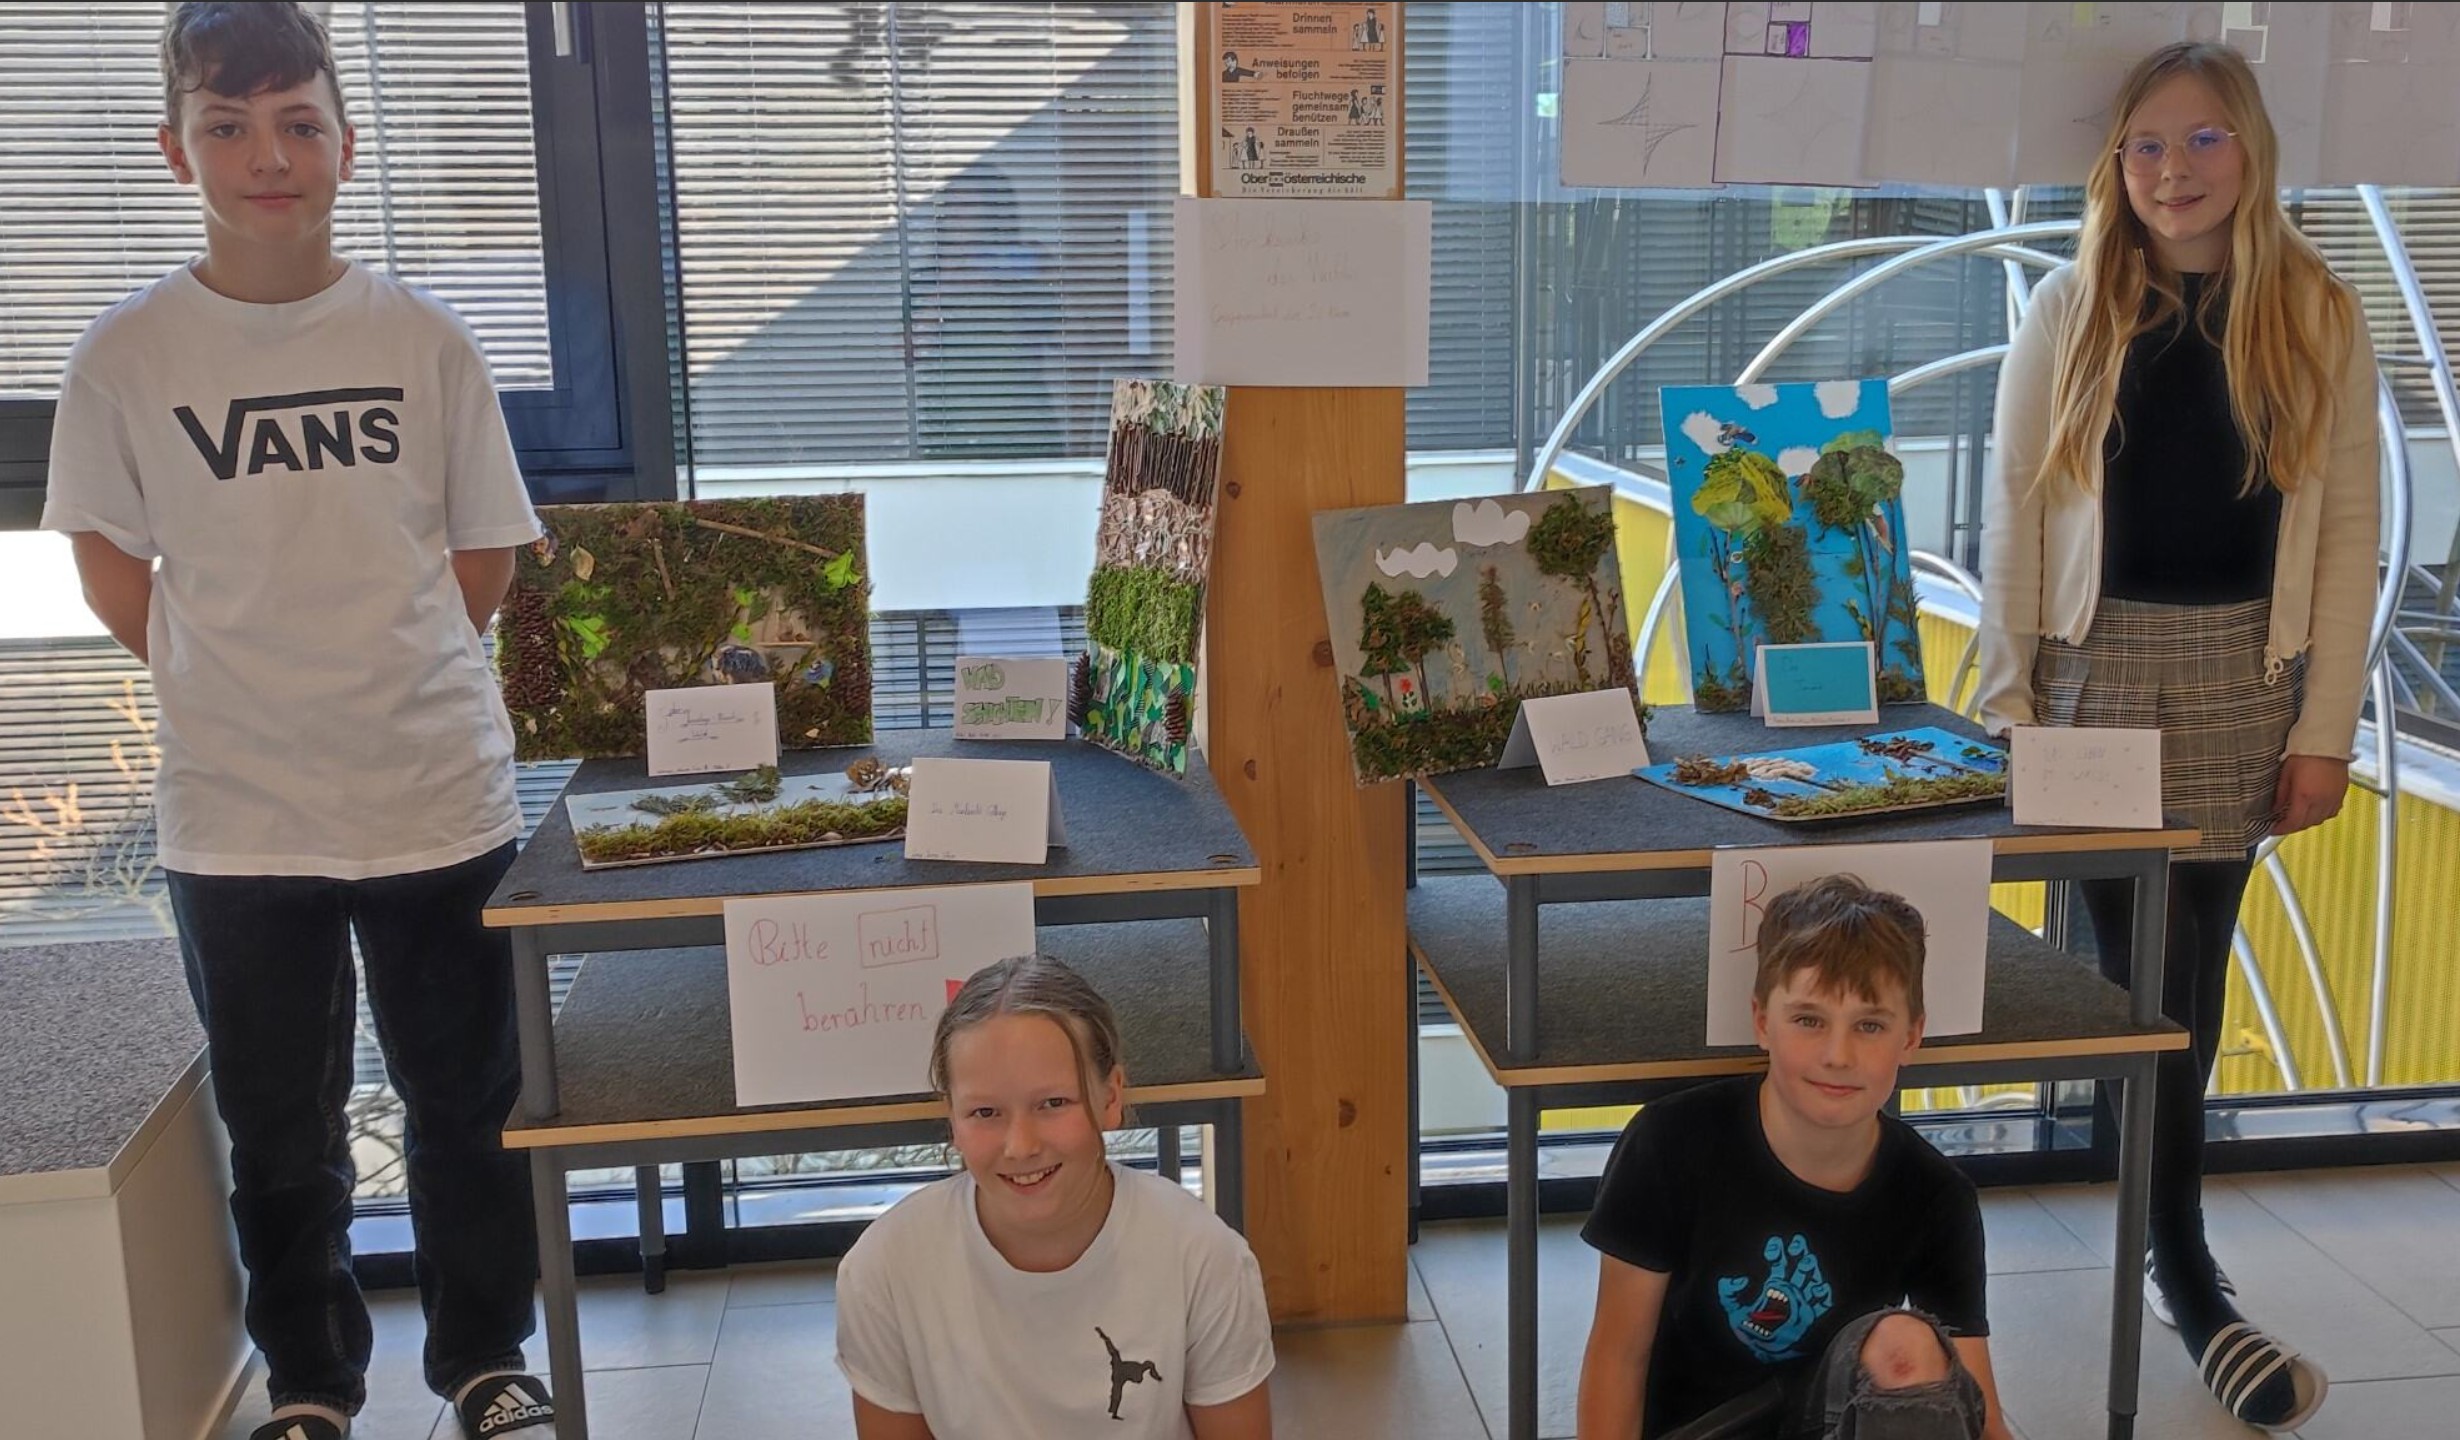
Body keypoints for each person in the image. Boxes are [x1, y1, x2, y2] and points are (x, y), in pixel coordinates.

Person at [41, 6, 553, 1438]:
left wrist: (381, 667)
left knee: (469, 1105)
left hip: (437, 794)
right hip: (237, 816)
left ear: (345, 141)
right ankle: (314, 1384)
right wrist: (240, 682)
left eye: (298, 124)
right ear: (176, 149)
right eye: (228, 125)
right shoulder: (127, 355)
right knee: (279, 1132)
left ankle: (485, 1362)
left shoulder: (423, 339)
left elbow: (485, 556)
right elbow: (108, 564)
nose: (267, 157)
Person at [1977, 40, 2377, 1432]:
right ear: (2116, 165)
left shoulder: (2318, 310)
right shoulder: (2072, 304)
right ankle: (2186, 1266)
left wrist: (2327, 731)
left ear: (2252, 150)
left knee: (2190, 985)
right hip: (2094, 676)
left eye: (2204, 139)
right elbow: (2014, 513)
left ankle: (2171, 1256)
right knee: (2135, 984)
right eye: (2147, 145)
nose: (2174, 170)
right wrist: (2006, 708)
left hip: (2242, 678)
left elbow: (2348, 539)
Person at [1576, 876, 2013, 1440]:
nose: (1838, 1055)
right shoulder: (1668, 1142)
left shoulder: (1937, 1195)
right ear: (1762, 1022)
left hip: (1832, 1425)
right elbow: (1618, 1356)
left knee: (1906, 1346)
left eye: (1870, 1025)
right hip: (1697, 1429)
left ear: (1911, 1037)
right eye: (1809, 1020)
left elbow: (1976, 1408)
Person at [835, 955, 1276, 1439]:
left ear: (1111, 1097)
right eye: (985, 1112)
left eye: (1052, 1103)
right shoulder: (884, 1270)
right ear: (952, 1119)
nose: (1021, 1146)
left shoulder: (1204, 1256)